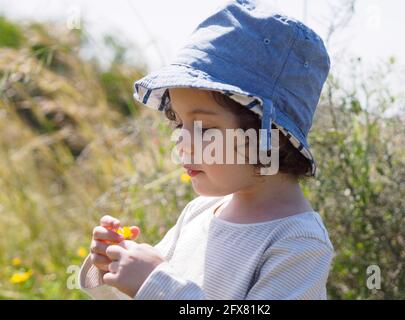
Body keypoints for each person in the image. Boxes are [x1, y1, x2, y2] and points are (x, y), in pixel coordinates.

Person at [78, 0, 334, 300]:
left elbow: (161, 291)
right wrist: (115, 266)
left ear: (271, 137)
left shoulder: (298, 243)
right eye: (178, 124)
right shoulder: (200, 212)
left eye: (204, 129)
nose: (182, 142)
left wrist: (154, 283)